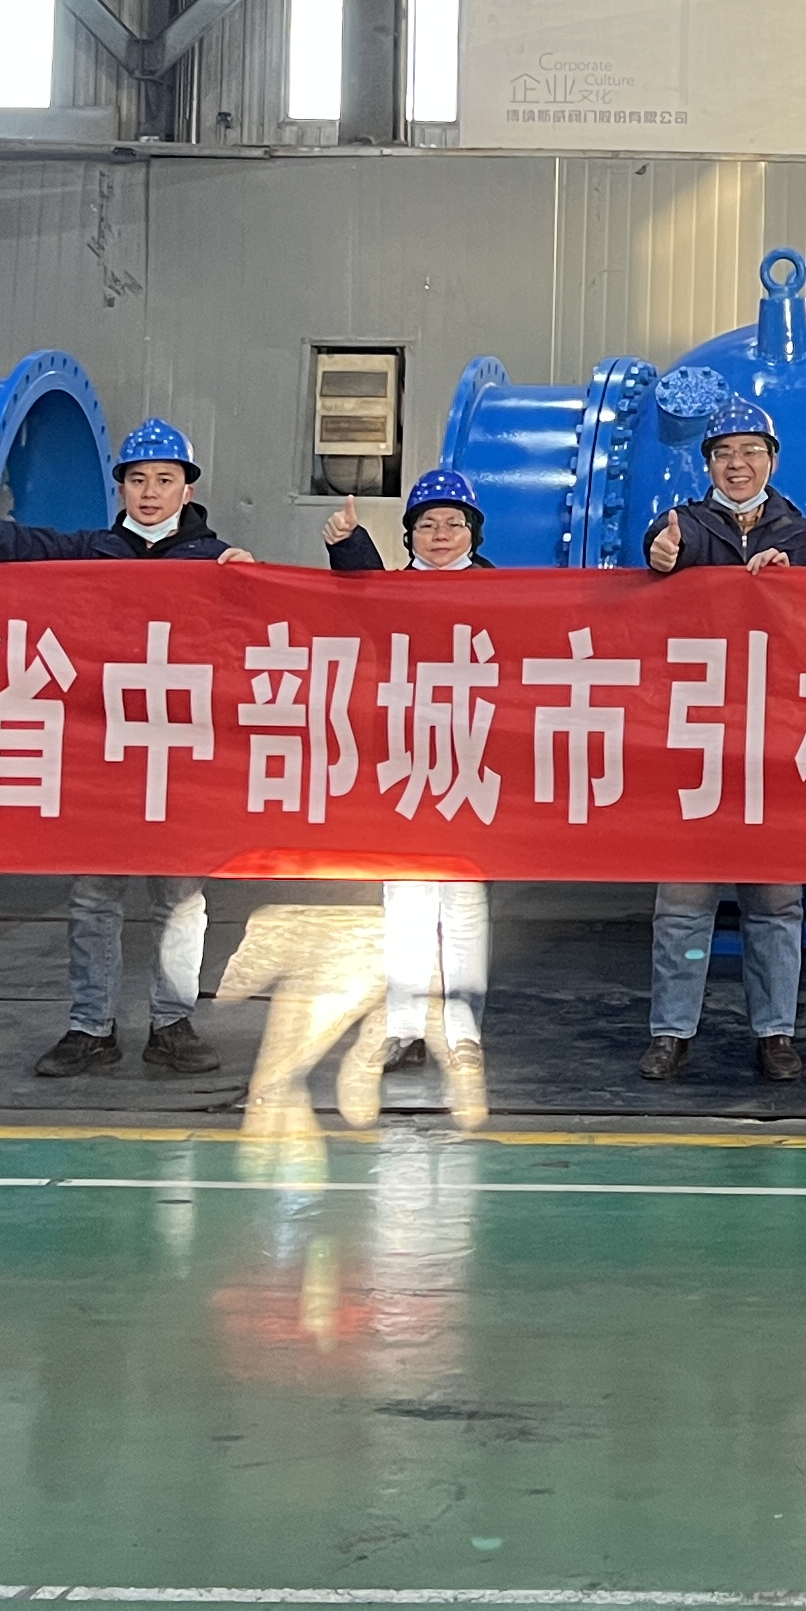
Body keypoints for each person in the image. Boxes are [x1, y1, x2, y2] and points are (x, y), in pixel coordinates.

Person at [0, 416, 258, 1080]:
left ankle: (171, 1024)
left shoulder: (218, 562)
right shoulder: (92, 551)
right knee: (94, 895)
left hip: (178, 752)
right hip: (103, 753)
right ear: (120, 487)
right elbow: (28, 548)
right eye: (138, 480)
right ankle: (89, 1027)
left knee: (179, 897)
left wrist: (252, 583)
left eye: (164, 480)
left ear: (187, 489)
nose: (150, 493)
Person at [641, 398, 806, 1086]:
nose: (737, 464)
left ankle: (775, 1032)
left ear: (772, 461)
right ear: (707, 465)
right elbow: (652, 581)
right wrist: (661, 559)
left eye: (751, 451)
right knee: (682, 903)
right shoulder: (682, 528)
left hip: (774, 745)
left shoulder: (805, 538)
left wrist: (797, 589)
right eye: (723, 453)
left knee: (776, 904)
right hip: (697, 743)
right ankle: (671, 1032)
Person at [322, 465, 500, 1127]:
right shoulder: (391, 588)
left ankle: (462, 1030)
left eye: (454, 523)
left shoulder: (509, 595)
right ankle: (403, 1027)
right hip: (402, 761)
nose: (441, 534)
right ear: (410, 535)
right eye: (428, 524)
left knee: (464, 901)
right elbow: (360, 600)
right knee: (403, 897)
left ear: (474, 531)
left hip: (473, 760)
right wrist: (348, 547)